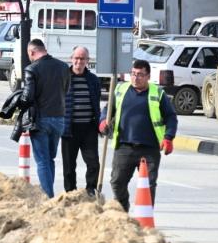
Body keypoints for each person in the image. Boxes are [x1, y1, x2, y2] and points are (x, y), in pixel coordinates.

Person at [101, 59, 177, 211]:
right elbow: (108, 109)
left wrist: (168, 137)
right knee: (117, 182)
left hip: (149, 149)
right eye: (133, 74)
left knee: (148, 186)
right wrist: (103, 121)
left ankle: (145, 218)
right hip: (124, 146)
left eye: (140, 75)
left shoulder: (158, 93)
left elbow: (171, 117)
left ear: (148, 76)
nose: (136, 78)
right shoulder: (121, 89)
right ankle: (122, 210)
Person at [19, 38, 71, 198]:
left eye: (30, 55)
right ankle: (49, 193)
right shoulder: (63, 67)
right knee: (50, 159)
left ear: (32, 52)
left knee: (42, 160)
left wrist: (18, 102)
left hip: (41, 120)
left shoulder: (32, 69)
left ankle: (48, 196)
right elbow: (66, 90)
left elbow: (27, 97)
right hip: (59, 119)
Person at [62, 46, 102, 195]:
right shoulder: (63, 77)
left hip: (89, 128)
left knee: (93, 163)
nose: (79, 61)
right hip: (68, 128)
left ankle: (91, 189)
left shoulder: (93, 80)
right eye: (76, 58)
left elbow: (96, 102)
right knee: (69, 166)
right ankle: (70, 192)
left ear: (87, 61)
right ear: (71, 59)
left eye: (82, 58)